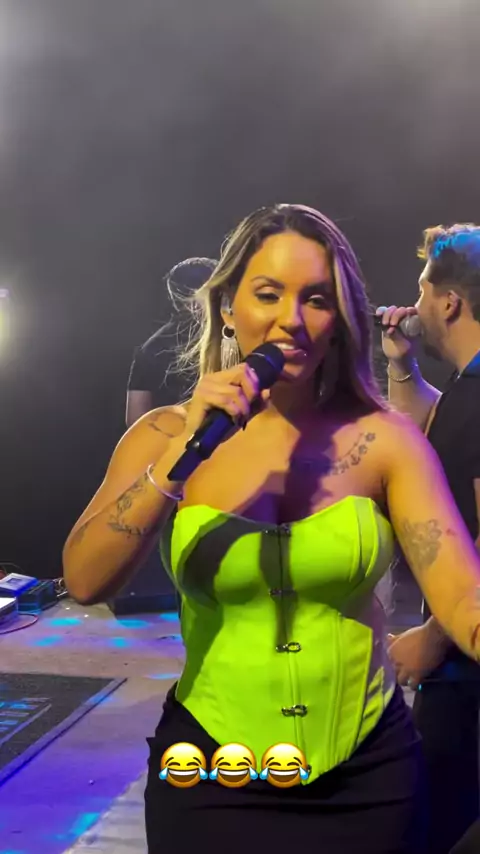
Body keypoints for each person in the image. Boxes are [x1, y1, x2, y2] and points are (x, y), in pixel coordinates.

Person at [63, 205, 480, 853]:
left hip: (369, 782)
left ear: (339, 319)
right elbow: (86, 579)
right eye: (267, 294)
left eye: (316, 298)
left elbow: (463, 599)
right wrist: (179, 459)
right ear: (228, 307)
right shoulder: (162, 435)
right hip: (209, 777)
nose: (291, 318)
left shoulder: (386, 442)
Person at [379, 223, 480, 854]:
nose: (412, 304)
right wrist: (402, 365)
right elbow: (433, 434)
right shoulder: (468, 389)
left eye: (421, 290)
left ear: (448, 302)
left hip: (466, 670)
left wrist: (434, 638)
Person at [126, 258, 216, 428]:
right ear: (192, 302)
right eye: (216, 290)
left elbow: (134, 421)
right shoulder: (153, 351)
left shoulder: (149, 349)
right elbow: (136, 421)